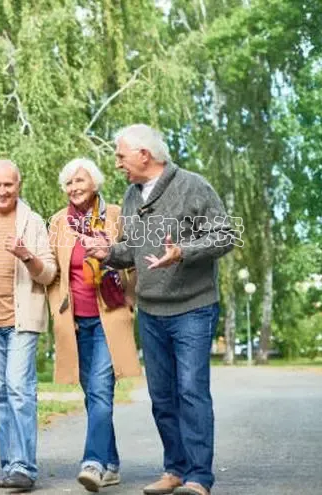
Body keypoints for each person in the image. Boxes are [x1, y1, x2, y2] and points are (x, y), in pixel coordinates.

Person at [85, 125, 236, 495]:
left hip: (193, 309)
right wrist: (109, 253)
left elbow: (225, 235)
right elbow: (131, 248)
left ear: (144, 155)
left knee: (191, 391)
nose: (117, 163)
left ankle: (200, 477)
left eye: (121, 156)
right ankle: (176, 469)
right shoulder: (132, 195)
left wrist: (183, 251)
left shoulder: (193, 186)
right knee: (163, 396)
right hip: (151, 312)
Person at [47, 158, 142, 492]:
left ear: (95, 183)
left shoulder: (115, 215)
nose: (74, 188)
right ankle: (112, 461)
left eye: (80, 180)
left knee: (101, 390)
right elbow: (53, 271)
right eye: (69, 183)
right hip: (75, 321)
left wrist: (131, 297)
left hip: (109, 315)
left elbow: (135, 254)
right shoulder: (59, 222)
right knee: (93, 395)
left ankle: (93, 462)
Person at [0, 159, 57, 491]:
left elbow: (49, 273)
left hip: (22, 320)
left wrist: (26, 256)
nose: (2, 191)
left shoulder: (32, 222)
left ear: (19, 185)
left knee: (19, 389)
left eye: (8, 185)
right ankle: (11, 465)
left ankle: (24, 468)